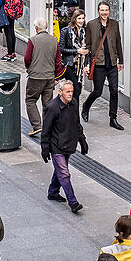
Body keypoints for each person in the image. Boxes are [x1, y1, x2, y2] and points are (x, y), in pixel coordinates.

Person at [42, 79, 87, 214]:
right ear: (60, 92)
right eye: (67, 91)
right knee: (64, 174)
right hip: (57, 146)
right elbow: (46, 130)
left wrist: (82, 141)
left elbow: (77, 124)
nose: (70, 94)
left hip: (69, 144)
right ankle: (73, 202)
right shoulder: (52, 107)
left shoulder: (73, 103)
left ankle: (53, 191)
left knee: (60, 171)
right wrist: (45, 148)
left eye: (71, 91)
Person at [82, 1, 125, 130]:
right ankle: (86, 106)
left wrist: (121, 61)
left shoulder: (114, 24)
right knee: (97, 91)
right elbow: (88, 46)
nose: (104, 13)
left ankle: (113, 118)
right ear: (98, 11)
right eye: (102, 10)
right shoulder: (91, 25)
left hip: (111, 63)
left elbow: (118, 43)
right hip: (99, 64)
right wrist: (86, 64)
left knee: (114, 91)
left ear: (109, 11)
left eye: (106, 10)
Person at [24, 19, 62, 135]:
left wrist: (30, 68)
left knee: (30, 100)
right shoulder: (54, 40)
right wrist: (57, 76)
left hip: (36, 76)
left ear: (36, 28)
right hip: (49, 76)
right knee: (48, 103)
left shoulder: (33, 40)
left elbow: (27, 58)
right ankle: (48, 126)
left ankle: (37, 125)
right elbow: (58, 60)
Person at [59, 8, 89, 89]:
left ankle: (69, 102)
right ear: (74, 19)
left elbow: (89, 47)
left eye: (83, 18)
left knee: (78, 89)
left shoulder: (85, 31)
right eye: (79, 18)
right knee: (75, 89)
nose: (81, 21)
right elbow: (61, 49)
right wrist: (77, 51)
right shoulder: (66, 31)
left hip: (81, 64)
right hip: (69, 64)